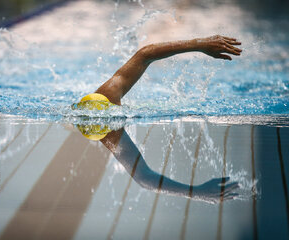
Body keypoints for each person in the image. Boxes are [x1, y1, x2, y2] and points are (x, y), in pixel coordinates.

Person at [75, 35, 242, 203]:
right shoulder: (110, 135)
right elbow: (145, 180)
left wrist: (199, 44)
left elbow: (145, 54)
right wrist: (194, 193)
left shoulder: (107, 95)